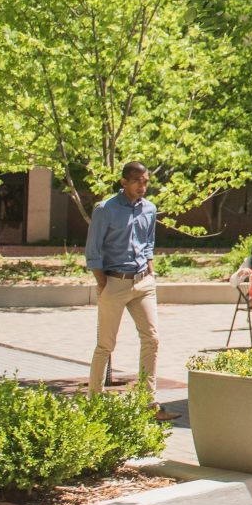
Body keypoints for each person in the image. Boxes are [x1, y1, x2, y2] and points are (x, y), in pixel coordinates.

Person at [85, 161, 166, 417]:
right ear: (124, 182)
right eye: (137, 181)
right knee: (106, 345)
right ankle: (94, 402)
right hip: (114, 281)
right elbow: (93, 251)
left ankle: (147, 402)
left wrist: (150, 270)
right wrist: (103, 282)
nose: (143, 186)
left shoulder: (150, 209)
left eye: (146, 181)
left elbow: (148, 242)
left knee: (151, 339)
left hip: (143, 282)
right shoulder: (105, 210)